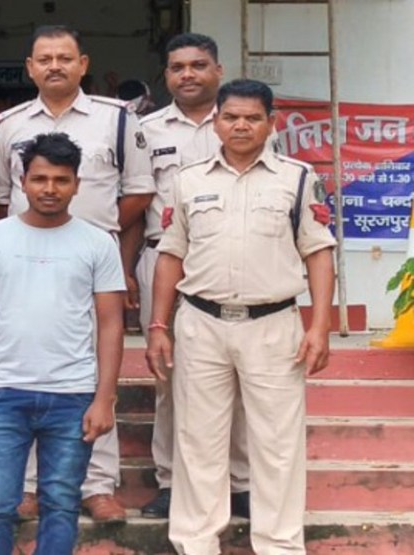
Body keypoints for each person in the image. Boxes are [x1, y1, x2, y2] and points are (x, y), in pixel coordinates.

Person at [147, 78, 336, 555]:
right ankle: (195, 543)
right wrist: (158, 326)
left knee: (277, 443)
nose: (241, 126)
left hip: (273, 325)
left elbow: (318, 253)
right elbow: (171, 255)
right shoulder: (188, 180)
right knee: (197, 439)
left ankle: (279, 544)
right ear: (216, 122)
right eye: (231, 117)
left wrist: (319, 326)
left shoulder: (297, 178)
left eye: (253, 118)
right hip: (201, 323)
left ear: (271, 123)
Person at [0, 24, 154, 523]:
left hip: (92, 260)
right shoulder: (9, 125)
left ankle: (97, 485)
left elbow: (139, 191)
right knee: (29, 366)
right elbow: (2, 196)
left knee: (95, 367)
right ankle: (29, 486)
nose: (55, 66)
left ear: (83, 64)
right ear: (30, 68)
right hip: (24, 259)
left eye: (65, 58)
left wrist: (94, 242)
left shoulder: (117, 119)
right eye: (45, 59)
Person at [0, 132, 125, 554]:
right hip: (4, 392)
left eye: (61, 180)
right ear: (22, 181)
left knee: (61, 504)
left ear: (77, 184)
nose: (50, 189)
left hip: (73, 394)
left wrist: (104, 398)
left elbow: (110, 324)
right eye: (40, 179)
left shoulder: (98, 242)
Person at [132, 32, 251, 520]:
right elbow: (136, 201)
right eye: (177, 67)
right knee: (169, 377)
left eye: (198, 65)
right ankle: (171, 480)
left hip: (233, 263)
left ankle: (239, 482)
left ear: (218, 70)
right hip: (163, 260)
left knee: (238, 375)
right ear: (166, 75)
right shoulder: (145, 129)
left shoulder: (244, 122)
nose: (188, 75)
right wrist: (126, 271)